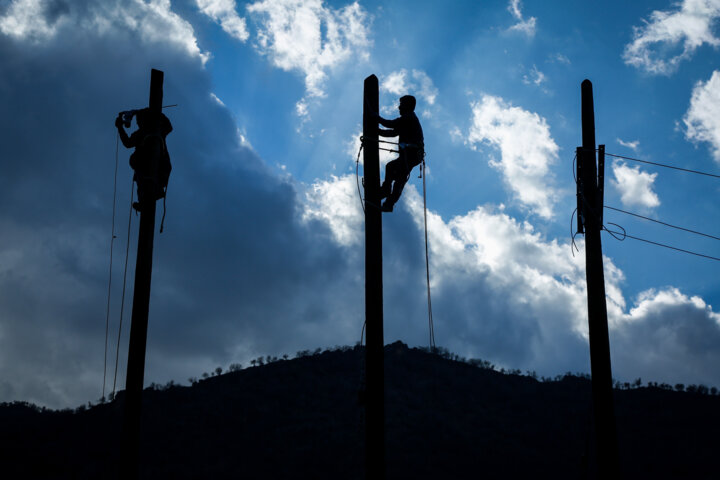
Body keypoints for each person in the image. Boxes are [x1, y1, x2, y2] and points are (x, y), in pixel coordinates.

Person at [115, 108, 172, 211]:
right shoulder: (143, 132)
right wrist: (120, 127)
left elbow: (169, 127)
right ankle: (147, 199)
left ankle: (151, 195)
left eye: (139, 120)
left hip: (156, 165)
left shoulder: (156, 129)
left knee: (145, 178)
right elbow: (128, 143)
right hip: (150, 167)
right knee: (143, 180)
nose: (138, 123)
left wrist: (157, 114)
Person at [377, 95, 424, 212]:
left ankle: (386, 194)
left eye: (401, 105)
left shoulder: (409, 118)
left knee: (396, 174)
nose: (399, 107)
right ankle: (388, 198)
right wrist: (377, 131)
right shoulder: (408, 121)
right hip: (410, 156)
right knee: (397, 176)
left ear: (408, 106)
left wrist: (375, 118)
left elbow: (391, 124)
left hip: (411, 155)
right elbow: (393, 133)